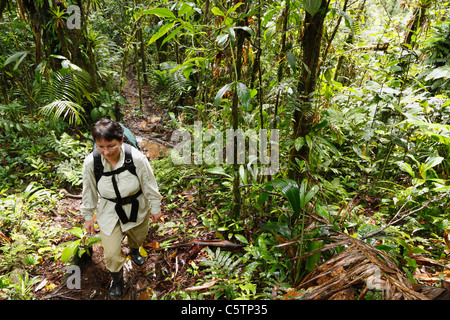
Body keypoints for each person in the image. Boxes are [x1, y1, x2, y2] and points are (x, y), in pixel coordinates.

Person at [80, 118, 162, 299]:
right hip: (109, 209)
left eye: (111, 146)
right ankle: (117, 278)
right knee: (110, 253)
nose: (106, 152)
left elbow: (149, 184)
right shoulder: (91, 163)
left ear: (121, 141)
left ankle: (133, 249)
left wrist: (156, 207)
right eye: (100, 147)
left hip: (137, 205)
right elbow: (89, 191)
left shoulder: (136, 158)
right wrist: (88, 216)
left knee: (138, 236)